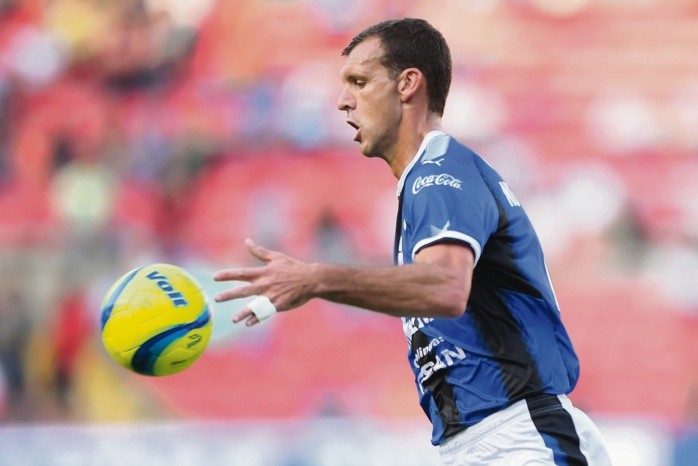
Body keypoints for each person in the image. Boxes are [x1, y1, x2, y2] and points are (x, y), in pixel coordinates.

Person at [213, 18, 612, 465]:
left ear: (407, 84)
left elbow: (445, 288)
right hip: (483, 440)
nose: (343, 101)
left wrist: (316, 279)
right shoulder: (427, 182)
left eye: (359, 82)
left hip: (522, 439)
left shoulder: (439, 175)